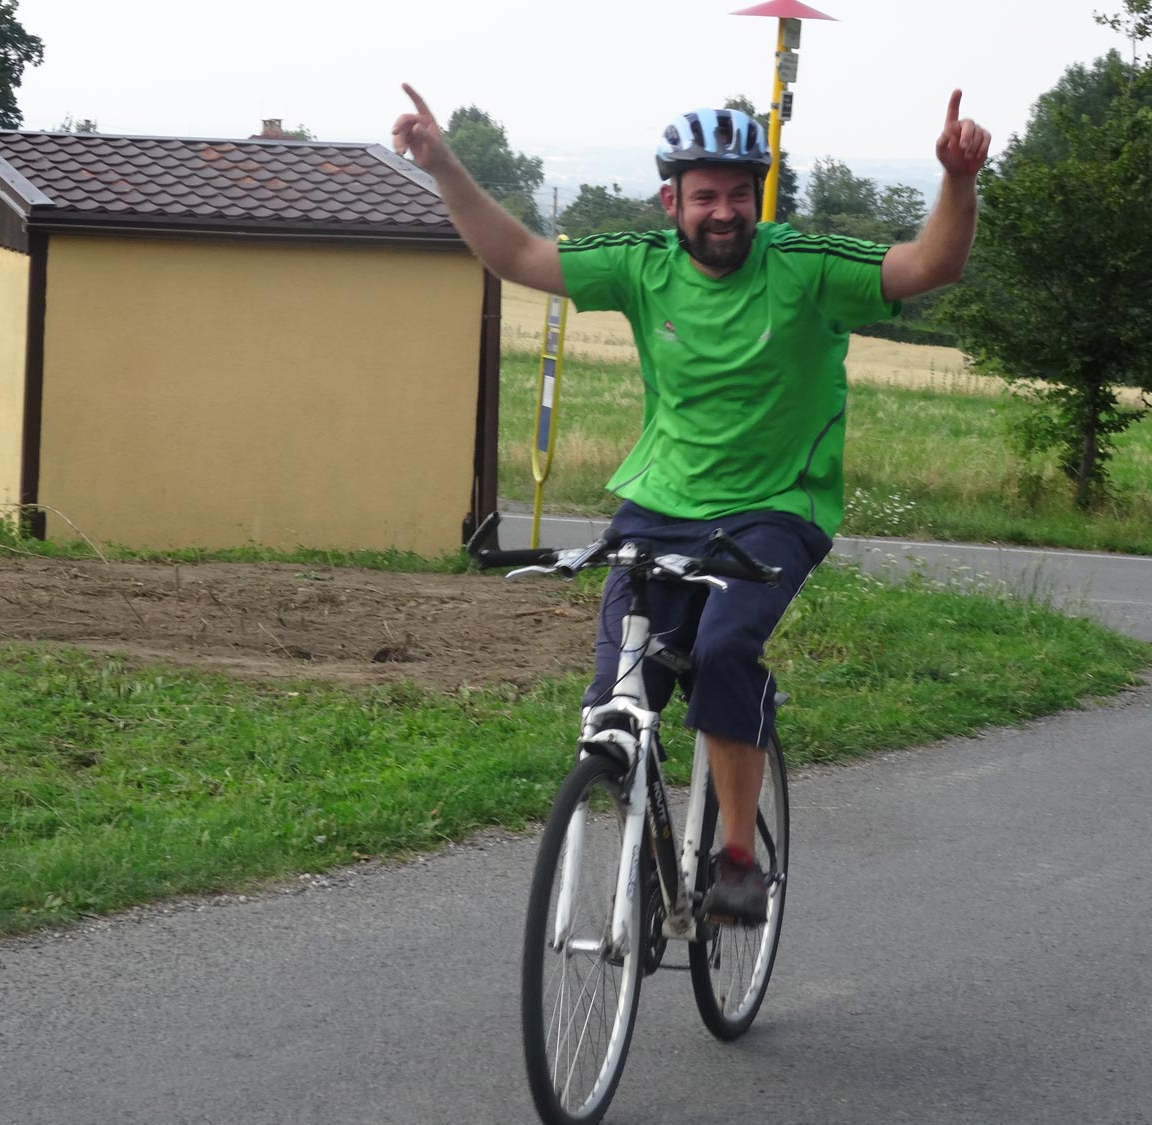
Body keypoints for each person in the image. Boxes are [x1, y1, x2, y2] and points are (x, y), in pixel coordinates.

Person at [393, 84, 989, 924]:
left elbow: (931, 266)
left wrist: (958, 180)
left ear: (758, 198)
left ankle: (738, 857)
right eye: (705, 195)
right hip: (657, 504)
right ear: (671, 200)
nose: (724, 211)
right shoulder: (643, 263)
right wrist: (442, 164)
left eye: (739, 193)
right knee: (618, 693)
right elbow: (518, 255)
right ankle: (640, 832)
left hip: (775, 507)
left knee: (723, 649)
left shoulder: (805, 266)